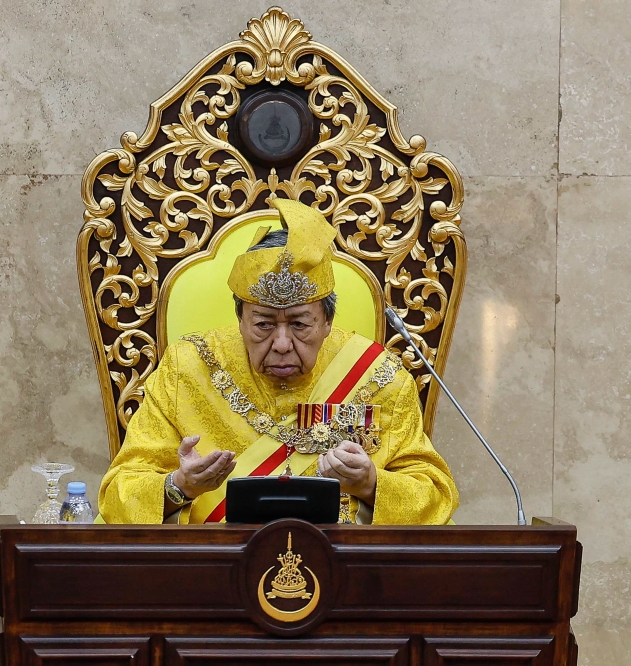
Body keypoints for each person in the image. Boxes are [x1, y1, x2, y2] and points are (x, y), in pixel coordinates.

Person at [98, 199, 458, 524]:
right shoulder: (188, 367)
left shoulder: (380, 375)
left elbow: (436, 496)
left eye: (300, 324)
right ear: (240, 320)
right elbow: (118, 493)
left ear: (328, 322)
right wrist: (180, 486)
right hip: (214, 566)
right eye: (264, 324)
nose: (282, 344)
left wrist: (370, 484)